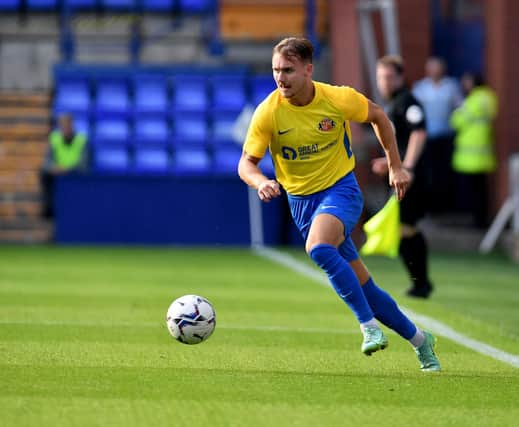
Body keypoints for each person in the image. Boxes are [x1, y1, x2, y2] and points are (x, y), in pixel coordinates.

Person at [237, 37, 440, 372]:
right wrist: (262, 182)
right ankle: (421, 341)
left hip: (340, 191)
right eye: (276, 70)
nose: (280, 78)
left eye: (288, 70)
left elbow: (378, 117)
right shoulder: (269, 112)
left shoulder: (336, 98)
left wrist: (395, 165)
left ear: (308, 69)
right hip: (301, 202)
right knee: (366, 288)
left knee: (317, 248)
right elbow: (246, 163)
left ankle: (367, 327)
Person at [372, 55, 433, 298]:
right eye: (380, 77)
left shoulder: (408, 102)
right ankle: (420, 283)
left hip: (411, 177)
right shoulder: (393, 104)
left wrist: (406, 168)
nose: (384, 82)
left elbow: (419, 134)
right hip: (402, 173)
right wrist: (389, 165)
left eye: (388, 77)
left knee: (406, 228)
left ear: (400, 78)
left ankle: (422, 283)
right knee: (403, 228)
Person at [412, 57, 463, 213]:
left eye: (437, 68)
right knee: (429, 172)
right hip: (426, 137)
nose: (434, 71)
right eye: (431, 68)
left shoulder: (451, 86)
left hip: (446, 136)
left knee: (445, 172)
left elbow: (460, 108)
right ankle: (431, 207)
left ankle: (446, 206)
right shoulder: (420, 88)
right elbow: (415, 111)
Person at [450, 72, 498, 228]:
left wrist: (457, 110)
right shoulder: (489, 98)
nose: (464, 85)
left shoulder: (472, 100)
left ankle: (477, 221)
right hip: (484, 152)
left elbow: (456, 121)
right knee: (482, 190)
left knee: (473, 191)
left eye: (466, 81)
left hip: (470, 155)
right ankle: (481, 220)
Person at [40, 113, 88, 218]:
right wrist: (54, 168)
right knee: (44, 174)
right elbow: (46, 163)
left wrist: (67, 169)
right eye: (62, 125)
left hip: (75, 173)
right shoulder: (54, 138)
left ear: (72, 125)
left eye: (67, 125)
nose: (65, 128)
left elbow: (83, 164)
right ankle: (49, 209)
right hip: (58, 172)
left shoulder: (81, 140)